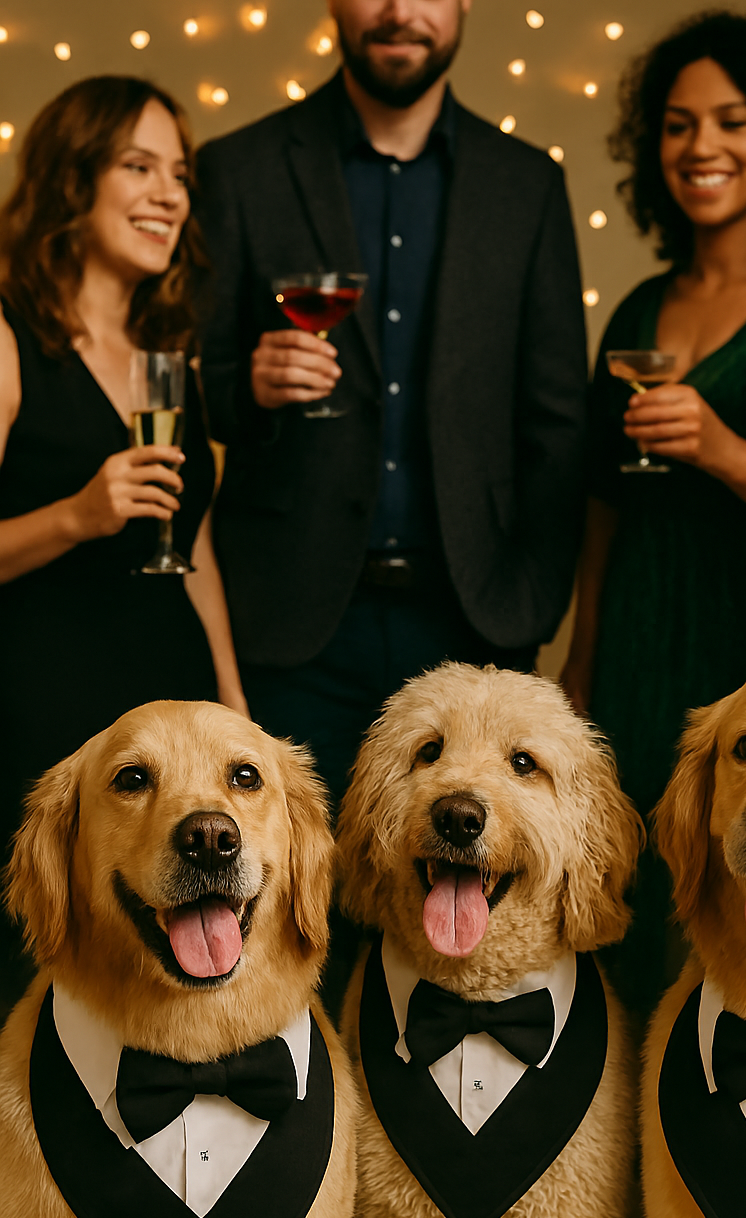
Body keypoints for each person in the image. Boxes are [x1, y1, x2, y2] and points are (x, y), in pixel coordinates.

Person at [195, 0, 588, 808]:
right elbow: (191, 387)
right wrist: (249, 386)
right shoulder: (241, 167)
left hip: (472, 624)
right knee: (289, 908)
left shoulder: (528, 182)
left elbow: (556, 421)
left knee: (462, 915)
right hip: (291, 627)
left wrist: (528, 602)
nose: (400, 11)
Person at [560, 12, 746, 1015]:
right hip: (638, 639)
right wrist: (581, 661)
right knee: (636, 892)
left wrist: (723, 449)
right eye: (680, 125)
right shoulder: (638, 308)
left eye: (732, 122)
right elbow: (602, 506)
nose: (703, 148)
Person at [0, 76, 244, 1015]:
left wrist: (232, 711)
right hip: (42, 710)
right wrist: (77, 515)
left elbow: (199, 547)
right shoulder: (12, 336)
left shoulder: (164, 349)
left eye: (178, 174)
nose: (169, 195)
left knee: (164, 986)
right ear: (72, 180)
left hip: (171, 708)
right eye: (137, 166)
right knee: (41, 977)